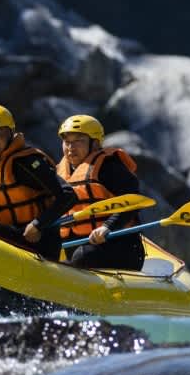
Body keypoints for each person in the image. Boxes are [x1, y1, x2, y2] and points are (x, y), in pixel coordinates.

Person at [0, 104, 75, 261]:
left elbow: (68, 195)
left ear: (10, 133)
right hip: (10, 237)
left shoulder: (26, 162)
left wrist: (38, 224)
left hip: (39, 241)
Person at [55, 114, 145, 270]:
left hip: (119, 247)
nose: (71, 147)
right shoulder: (60, 172)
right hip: (77, 247)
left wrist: (108, 227)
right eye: (67, 142)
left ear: (95, 144)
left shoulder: (109, 167)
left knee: (82, 255)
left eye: (78, 141)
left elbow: (132, 201)